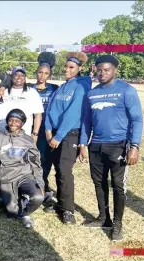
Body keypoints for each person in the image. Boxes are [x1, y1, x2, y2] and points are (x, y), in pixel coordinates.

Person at [79, 55, 143, 241]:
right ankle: (103, 218)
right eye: (99, 70)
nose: (102, 73)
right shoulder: (91, 93)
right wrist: (83, 143)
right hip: (96, 145)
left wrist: (134, 146)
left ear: (115, 70)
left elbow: (137, 119)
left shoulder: (127, 90)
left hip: (119, 145)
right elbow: (86, 121)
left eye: (106, 70)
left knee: (118, 186)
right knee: (99, 183)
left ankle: (117, 224)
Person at [44, 52, 92, 225]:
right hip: (55, 134)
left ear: (79, 69)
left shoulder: (81, 86)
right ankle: (61, 204)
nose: (67, 69)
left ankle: (68, 210)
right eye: (66, 66)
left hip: (69, 134)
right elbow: (50, 109)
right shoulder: (63, 87)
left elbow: (73, 114)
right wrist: (48, 130)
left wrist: (58, 135)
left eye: (71, 67)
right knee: (58, 170)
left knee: (65, 172)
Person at [0, 109, 45, 228]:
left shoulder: (28, 140)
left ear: (22, 123)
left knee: (38, 197)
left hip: (24, 174)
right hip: (6, 176)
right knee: (11, 212)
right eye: (10, 120)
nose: (13, 123)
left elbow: (35, 162)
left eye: (17, 121)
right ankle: (12, 199)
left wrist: (40, 183)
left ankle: (25, 213)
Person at [30, 52, 60, 212]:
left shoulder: (55, 89)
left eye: (46, 73)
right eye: (40, 72)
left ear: (50, 74)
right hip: (32, 130)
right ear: (36, 72)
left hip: (47, 131)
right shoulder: (29, 88)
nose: (42, 75)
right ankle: (31, 187)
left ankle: (44, 187)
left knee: (44, 161)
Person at [0, 67, 43, 138]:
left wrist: (35, 134)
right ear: (11, 77)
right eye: (16, 74)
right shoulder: (2, 92)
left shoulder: (32, 92)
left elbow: (38, 115)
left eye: (22, 75)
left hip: (23, 137)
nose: (19, 77)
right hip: (1, 136)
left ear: (25, 77)